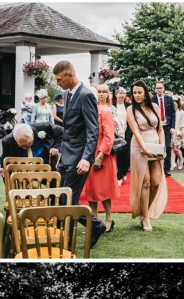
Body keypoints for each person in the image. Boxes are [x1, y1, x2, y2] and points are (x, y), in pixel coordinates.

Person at [53, 60, 99, 210]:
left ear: (70, 75)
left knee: (69, 200)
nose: (57, 83)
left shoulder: (86, 95)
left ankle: (66, 232)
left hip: (79, 157)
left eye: (59, 79)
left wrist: (86, 158)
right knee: (60, 196)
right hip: (66, 154)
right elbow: (67, 129)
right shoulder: (66, 95)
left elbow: (93, 130)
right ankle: (96, 227)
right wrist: (61, 153)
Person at [127, 79, 168, 232]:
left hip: (156, 147)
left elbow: (160, 130)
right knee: (146, 182)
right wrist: (145, 149)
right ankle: (145, 217)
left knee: (156, 182)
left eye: (139, 92)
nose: (137, 95)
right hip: (139, 147)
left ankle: (145, 210)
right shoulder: (131, 109)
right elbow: (136, 131)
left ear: (145, 93)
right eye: (134, 93)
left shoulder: (155, 107)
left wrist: (162, 148)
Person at [83, 83, 119, 232]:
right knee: (91, 191)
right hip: (88, 154)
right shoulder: (88, 111)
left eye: (104, 92)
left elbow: (109, 137)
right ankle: (95, 221)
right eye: (99, 92)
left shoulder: (105, 112)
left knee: (103, 190)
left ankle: (109, 218)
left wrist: (100, 156)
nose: (101, 94)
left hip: (102, 155)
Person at [152, 81, 176, 177]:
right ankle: (156, 168)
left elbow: (173, 113)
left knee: (168, 147)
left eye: (161, 88)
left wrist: (173, 127)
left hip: (167, 127)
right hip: (156, 127)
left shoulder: (169, 99)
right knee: (156, 147)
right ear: (155, 89)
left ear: (163, 88)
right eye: (157, 88)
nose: (159, 90)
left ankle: (167, 169)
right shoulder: (152, 99)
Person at [112, 87, 131, 182]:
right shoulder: (112, 106)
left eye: (124, 93)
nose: (122, 95)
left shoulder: (129, 106)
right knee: (119, 155)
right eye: (120, 93)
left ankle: (123, 172)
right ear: (116, 95)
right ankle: (119, 176)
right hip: (116, 134)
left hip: (127, 133)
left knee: (128, 156)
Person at [172, 96, 184, 171]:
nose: (174, 105)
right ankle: (173, 164)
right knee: (171, 148)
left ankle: (181, 160)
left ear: (178, 104)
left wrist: (183, 131)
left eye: (175, 104)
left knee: (176, 148)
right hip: (171, 132)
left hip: (178, 132)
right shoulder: (170, 112)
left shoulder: (181, 112)